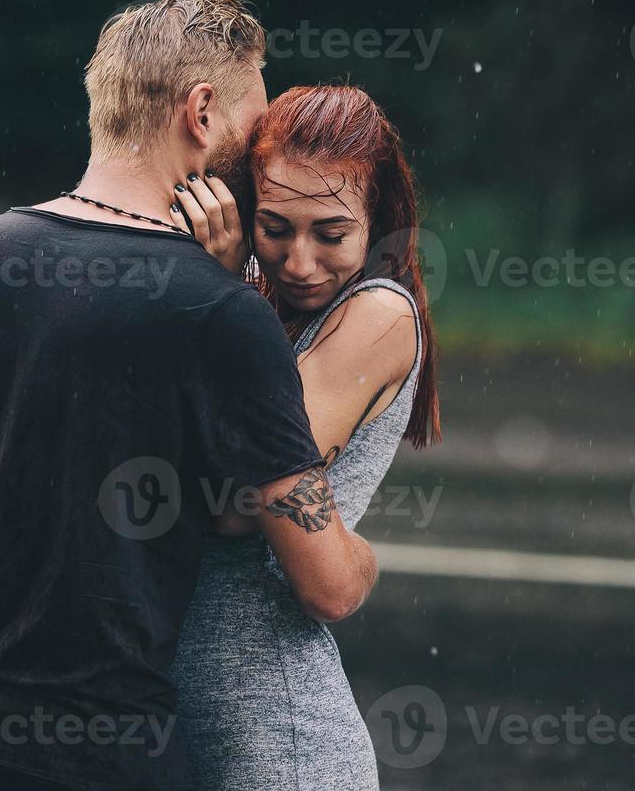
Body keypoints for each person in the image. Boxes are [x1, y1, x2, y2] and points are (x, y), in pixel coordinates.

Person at [0, 0, 382, 790]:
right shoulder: (222, 313)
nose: (261, 151)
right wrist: (364, 561)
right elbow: (326, 583)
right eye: (253, 124)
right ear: (201, 111)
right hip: (102, 756)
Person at [164, 84, 443, 790]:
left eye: (331, 232)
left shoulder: (375, 314)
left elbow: (236, 500)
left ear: (377, 221)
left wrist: (227, 293)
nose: (299, 262)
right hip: (180, 723)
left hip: (280, 739)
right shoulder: (258, 291)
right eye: (276, 227)